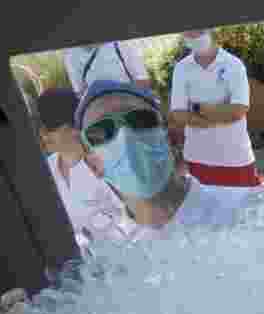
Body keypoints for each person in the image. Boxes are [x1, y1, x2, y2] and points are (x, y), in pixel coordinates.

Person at [74, 80, 254, 240]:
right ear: (93, 166)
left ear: (172, 138)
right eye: (102, 132)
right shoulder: (113, 262)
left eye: (139, 120)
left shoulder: (246, 209)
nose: (125, 136)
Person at [167, 30, 262, 188]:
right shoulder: (181, 68)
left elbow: (238, 110)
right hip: (197, 160)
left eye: (197, 31)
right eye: (187, 32)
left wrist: (196, 109)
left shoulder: (234, 64)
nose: (192, 35)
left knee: (246, 210)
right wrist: (221, 112)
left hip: (236, 157)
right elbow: (178, 114)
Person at [36, 88, 126, 247]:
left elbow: (133, 217)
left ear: (74, 128)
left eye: (50, 127)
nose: (43, 134)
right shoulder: (45, 171)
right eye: (41, 126)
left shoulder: (107, 161)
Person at [64, 41, 153, 98]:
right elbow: (80, 92)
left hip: (131, 100)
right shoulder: (71, 55)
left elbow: (143, 80)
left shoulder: (120, 43)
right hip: (99, 107)